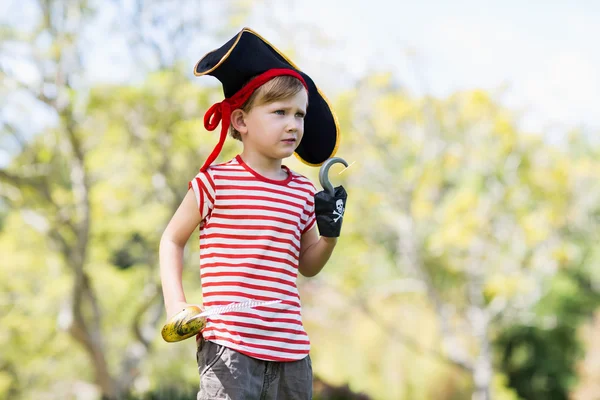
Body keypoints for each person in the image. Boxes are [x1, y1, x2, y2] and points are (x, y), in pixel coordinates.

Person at [159, 27, 347, 400]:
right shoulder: (215, 181)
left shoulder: (302, 191)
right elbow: (171, 239)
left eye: (300, 114)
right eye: (279, 112)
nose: (293, 124)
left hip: (291, 352)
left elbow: (307, 265)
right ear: (241, 121)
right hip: (230, 346)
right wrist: (176, 304)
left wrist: (330, 234)